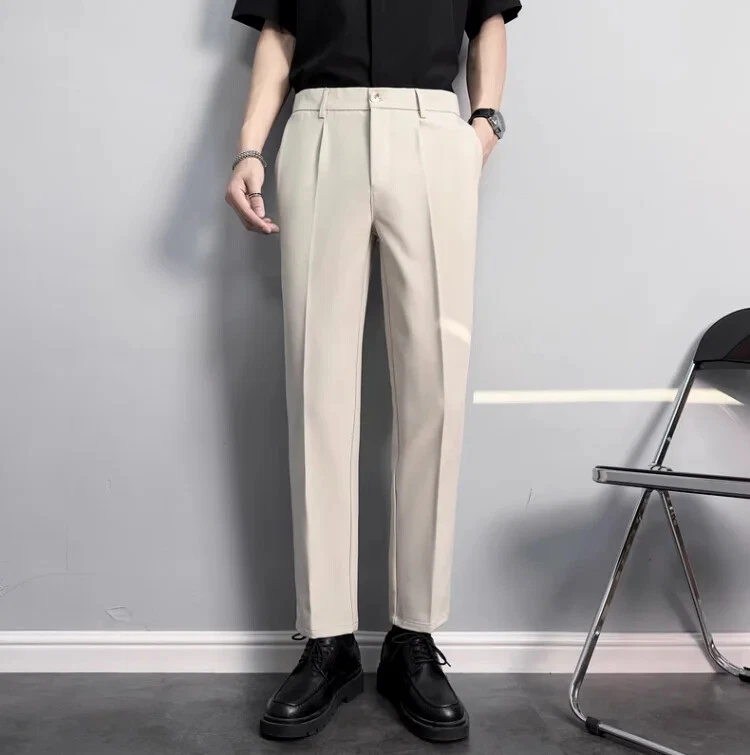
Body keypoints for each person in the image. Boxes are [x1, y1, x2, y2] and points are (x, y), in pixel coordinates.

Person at [226, 0, 521, 742]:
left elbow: (488, 15)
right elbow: (279, 30)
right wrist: (249, 148)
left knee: (435, 389)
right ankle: (328, 642)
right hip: (320, 127)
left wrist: (483, 123)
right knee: (316, 389)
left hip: (431, 131)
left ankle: (412, 638)